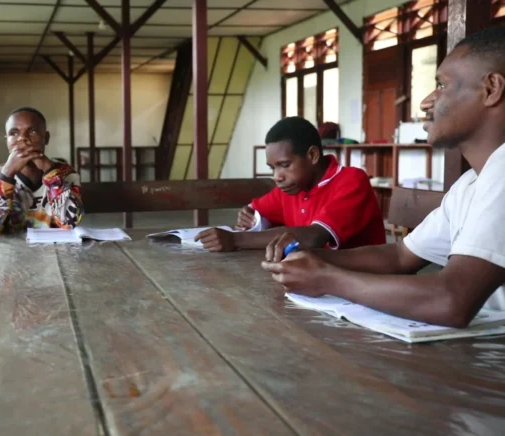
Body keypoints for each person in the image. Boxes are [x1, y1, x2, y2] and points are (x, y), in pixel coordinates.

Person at [261, 27, 505, 327]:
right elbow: (401, 256)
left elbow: (451, 300)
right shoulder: (471, 185)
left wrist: (327, 278)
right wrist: (307, 257)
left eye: (442, 85)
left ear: (492, 89)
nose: (426, 102)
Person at [195, 117, 385, 255]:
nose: (277, 177)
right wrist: (250, 215)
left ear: (312, 156)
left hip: (362, 282)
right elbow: (258, 209)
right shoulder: (291, 187)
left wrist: (235, 239)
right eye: (273, 168)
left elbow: (314, 237)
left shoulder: (351, 180)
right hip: (317, 278)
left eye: (285, 165)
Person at [0, 107, 83, 234]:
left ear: (46, 138)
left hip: (53, 250)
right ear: (7, 141)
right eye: (14, 133)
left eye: (32, 132)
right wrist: (6, 177)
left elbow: (70, 223)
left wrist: (50, 172)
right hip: (9, 251)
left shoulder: (66, 174)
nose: (23, 139)